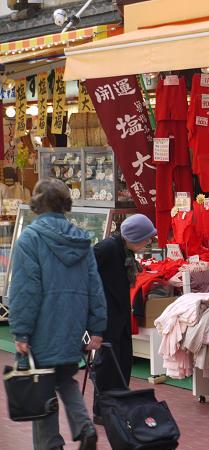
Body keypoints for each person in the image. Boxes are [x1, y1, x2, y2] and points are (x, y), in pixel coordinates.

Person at [8, 178, 106, 450]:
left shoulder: (30, 238)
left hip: (41, 327)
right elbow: (95, 287)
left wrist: (21, 330)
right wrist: (97, 328)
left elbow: (25, 290)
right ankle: (85, 428)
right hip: (72, 325)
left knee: (42, 386)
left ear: (37, 203)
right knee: (65, 378)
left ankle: (50, 445)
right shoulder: (81, 240)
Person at [92, 214, 156, 424]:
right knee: (108, 363)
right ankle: (102, 410)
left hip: (119, 313)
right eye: (146, 238)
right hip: (106, 314)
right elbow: (85, 271)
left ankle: (117, 405)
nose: (148, 243)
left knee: (122, 360)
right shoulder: (108, 248)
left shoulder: (125, 251)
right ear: (135, 236)